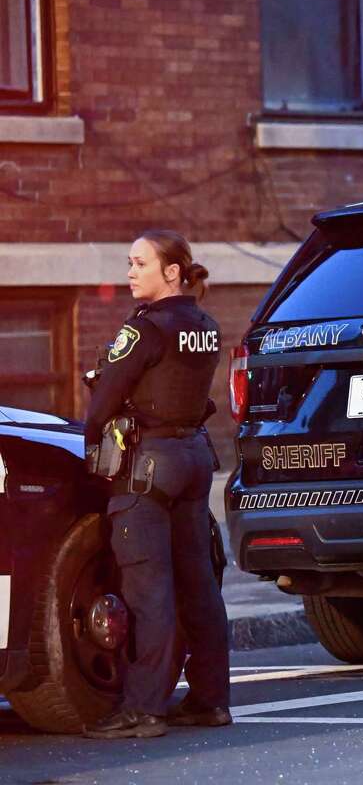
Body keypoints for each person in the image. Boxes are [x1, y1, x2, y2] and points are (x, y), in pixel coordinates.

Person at [81, 230, 230, 739]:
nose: (130, 273)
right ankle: (211, 700)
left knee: (150, 590)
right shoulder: (204, 324)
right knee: (199, 587)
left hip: (148, 466)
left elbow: (104, 398)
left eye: (139, 264)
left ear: (171, 272)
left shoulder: (145, 329)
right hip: (193, 457)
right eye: (128, 263)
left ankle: (144, 708)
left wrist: (90, 438)